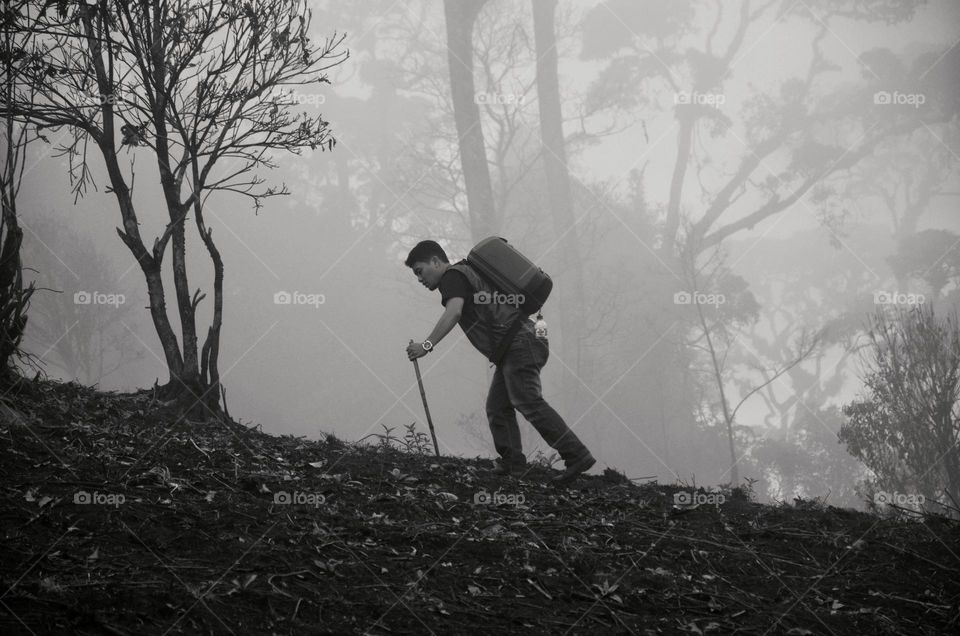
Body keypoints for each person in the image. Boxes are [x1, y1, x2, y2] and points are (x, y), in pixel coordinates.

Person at [404, 239, 596, 485]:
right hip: (516, 343)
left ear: (435, 261)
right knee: (497, 407)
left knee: (528, 401)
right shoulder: (464, 273)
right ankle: (513, 463)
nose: (420, 279)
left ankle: (576, 455)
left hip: (518, 342)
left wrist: (426, 345)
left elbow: (454, 312)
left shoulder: (452, 277)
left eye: (420, 271)